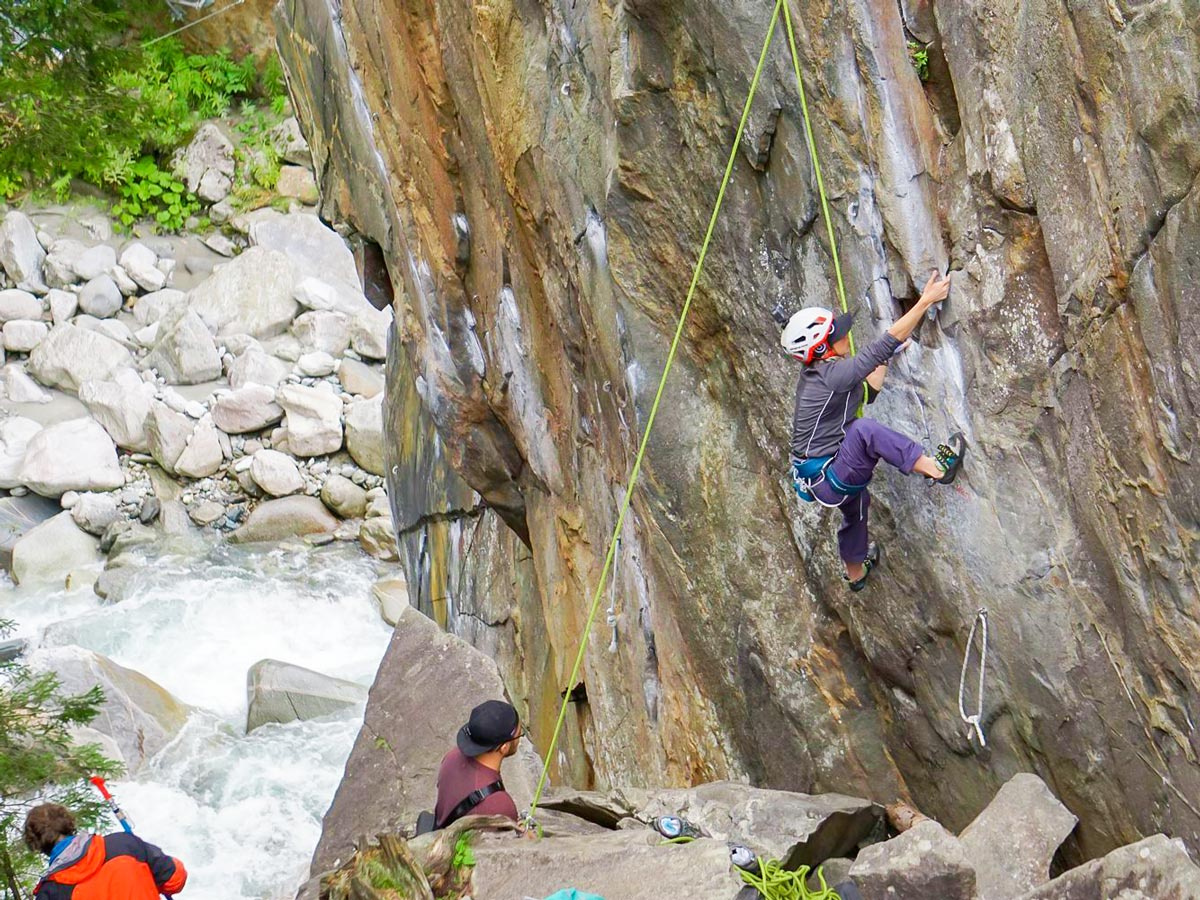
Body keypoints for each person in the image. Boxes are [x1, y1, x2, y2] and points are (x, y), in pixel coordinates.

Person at [783, 272, 965, 591]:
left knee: (857, 506)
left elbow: (868, 392)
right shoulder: (833, 375)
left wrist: (887, 359)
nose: (845, 334)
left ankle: (856, 574)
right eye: (836, 332)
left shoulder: (821, 375)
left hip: (823, 476)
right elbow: (881, 346)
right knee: (864, 430)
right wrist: (926, 300)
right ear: (823, 347)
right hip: (829, 475)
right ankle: (935, 469)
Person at [23, 803, 187, 899]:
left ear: (36, 845)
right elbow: (175, 880)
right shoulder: (124, 844)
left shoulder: (50, 892)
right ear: (69, 824)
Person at [432, 699, 523, 829]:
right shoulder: (499, 806)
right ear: (504, 747)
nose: (519, 740)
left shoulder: (452, 757)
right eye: (519, 735)